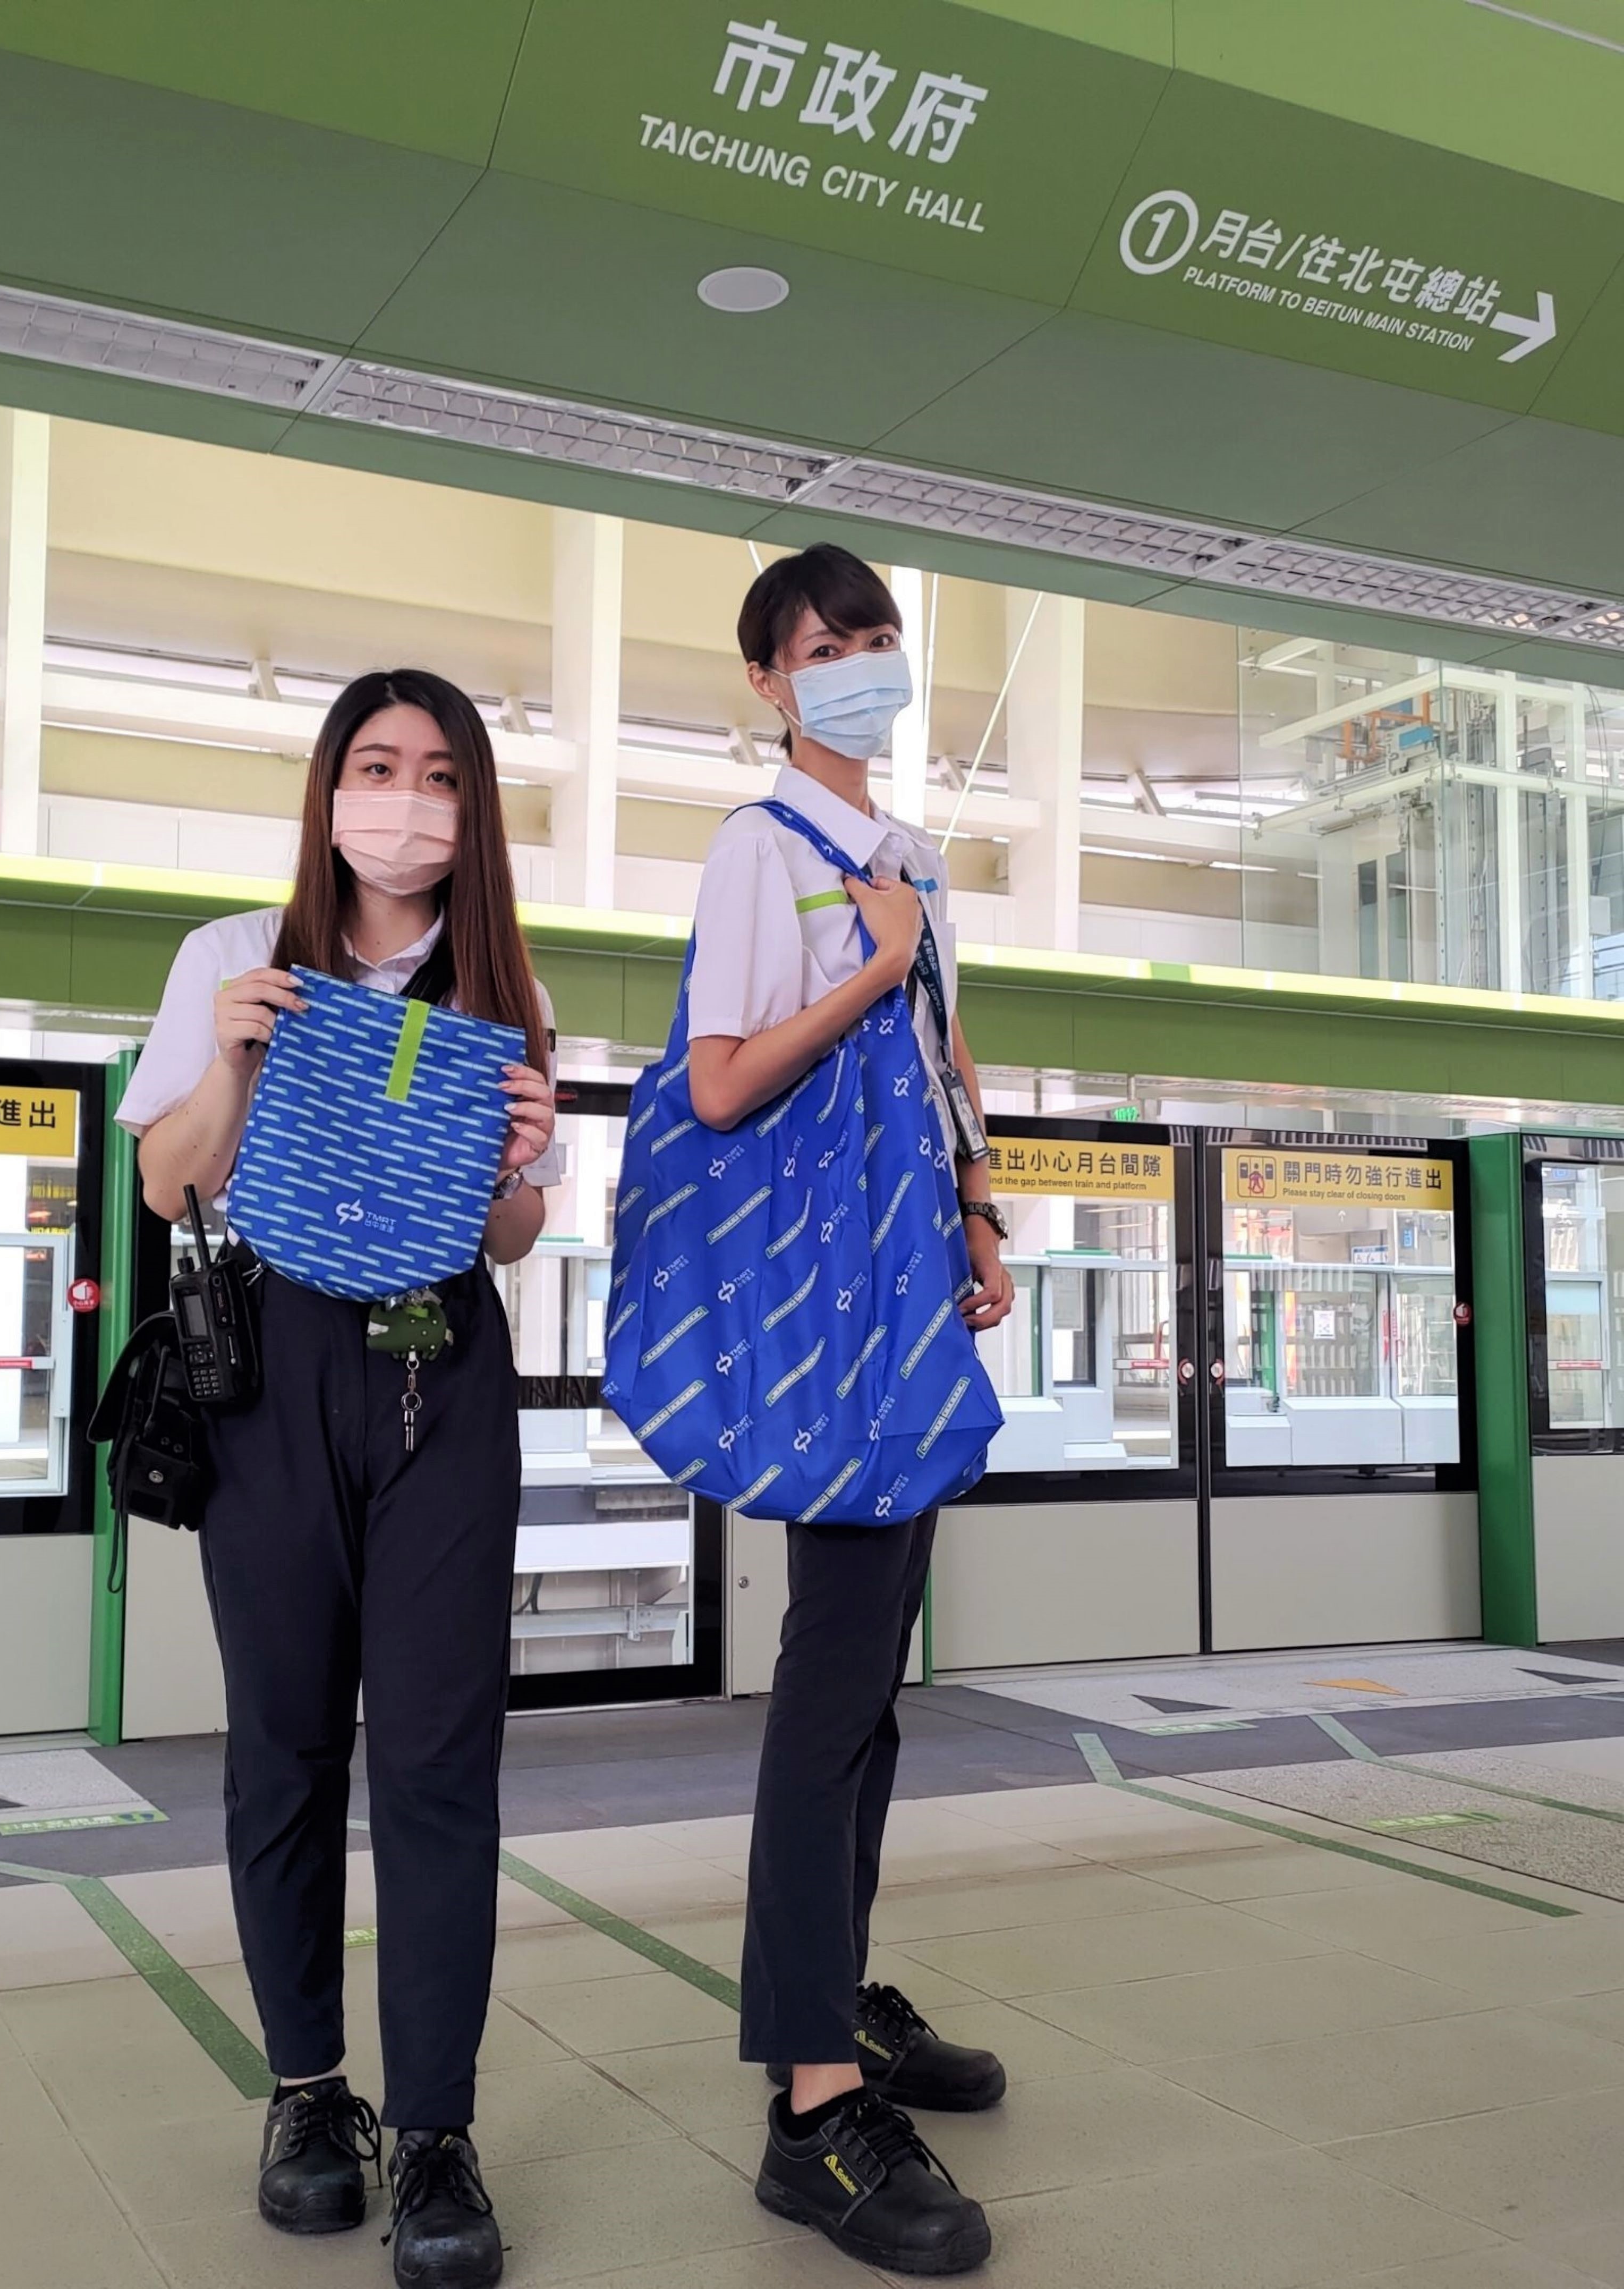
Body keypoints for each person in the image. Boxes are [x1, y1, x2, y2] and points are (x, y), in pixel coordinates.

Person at [117, 668, 559, 2289]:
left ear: (473, 808)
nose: (406, 800)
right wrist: (233, 1064)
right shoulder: (235, 954)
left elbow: (511, 1232)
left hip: (445, 1367)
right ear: (328, 789)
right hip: (275, 1363)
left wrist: (519, 1161)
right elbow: (167, 1181)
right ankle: (309, 2093)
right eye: (377, 765)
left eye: (439, 773)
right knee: (285, 1746)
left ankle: (434, 2126)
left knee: (441, 1759)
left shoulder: (502, 985)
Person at [686, 545, 1015, 2276]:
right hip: (831, 1324)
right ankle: (810, 2102)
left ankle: (846, 1999)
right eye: (828, 644)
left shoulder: (913, 861)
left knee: (873, 1691)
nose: (861, 664)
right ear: (771, 679)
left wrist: (983, 1211)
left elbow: (951, 1059)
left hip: (912, 1299)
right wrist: (871, 969)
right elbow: (720, 1081)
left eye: (878, 636)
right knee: (829, 1696)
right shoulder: (763, 851)